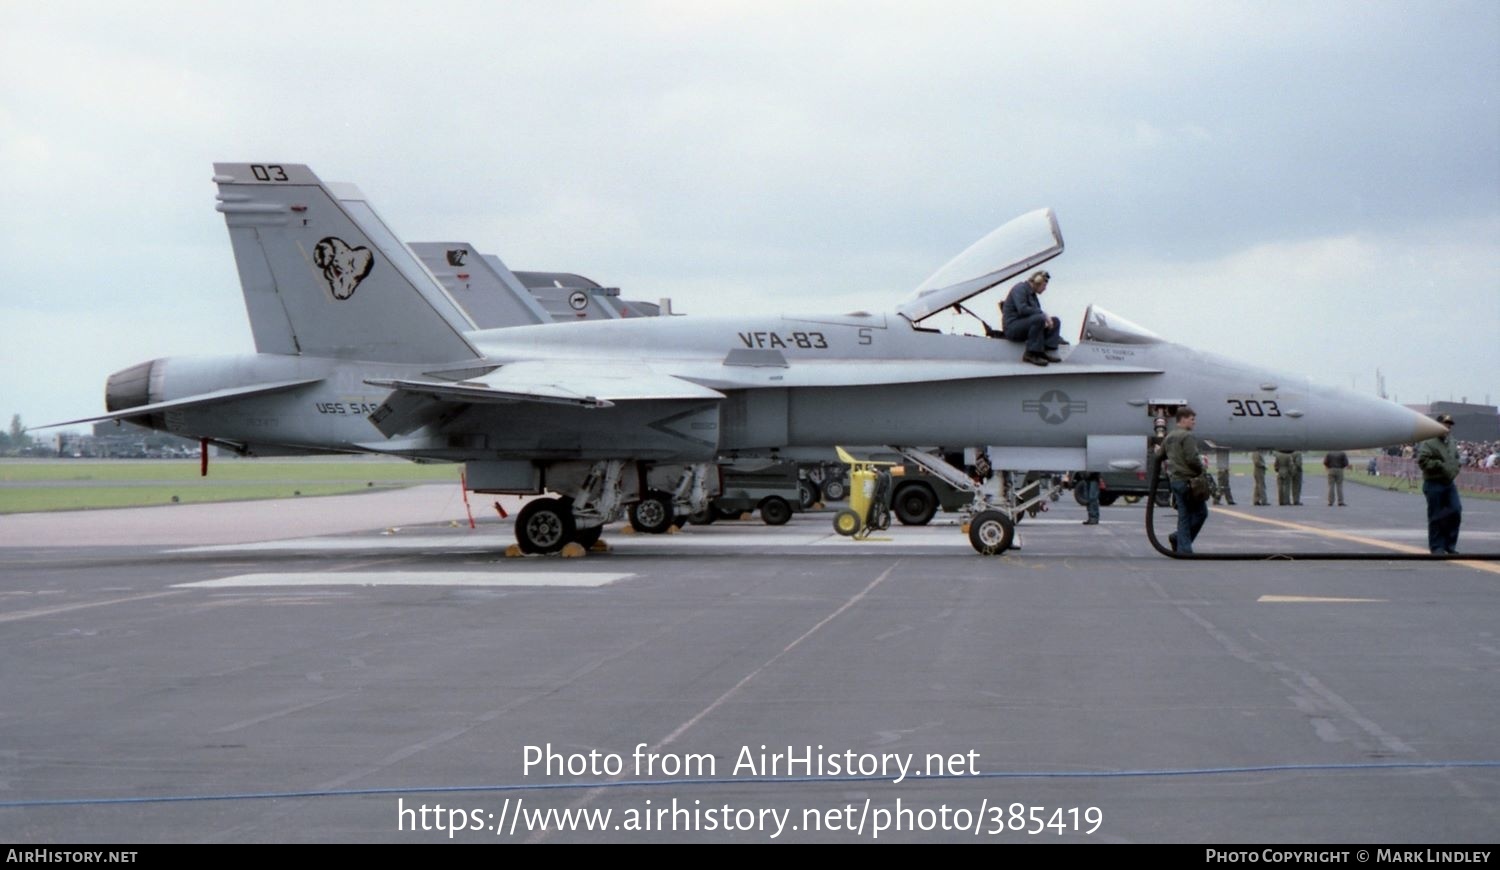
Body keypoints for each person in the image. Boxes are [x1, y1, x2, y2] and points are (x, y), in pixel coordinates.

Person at [1162, 406, 1209, 553]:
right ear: (1183, 419)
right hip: (1188, 482)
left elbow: (1159, 455)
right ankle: (1183, 546)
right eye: (1191, 419)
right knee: (1201, 513)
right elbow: (1192, 459)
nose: (1194, 422)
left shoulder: (1169, 436)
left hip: (1175, 480)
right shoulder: (1187, 436)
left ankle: (1181, 543)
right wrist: (1201, 470)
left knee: (1184, 516)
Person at [1416, 413, 1462, 554]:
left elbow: (1456, 457)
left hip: (1448, 483)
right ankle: (1437, 546)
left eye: (1449, 424)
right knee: (1436, 515)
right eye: (1445, 423)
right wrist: (1439, 465)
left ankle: (1450, 544)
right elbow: (1422, 461)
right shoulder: (1429, 442)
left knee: (1455, 510)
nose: (1448, 426)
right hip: (1434, 482)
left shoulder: (1451, 441)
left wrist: (1455, 467)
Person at [1000, 270, 1063, 367]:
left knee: (1055, 321)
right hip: (1012, 327)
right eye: (1044, 285)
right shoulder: (1019, 289)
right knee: (1039, 319)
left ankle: (1043, 351)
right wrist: (1043, 315)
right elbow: (1022, 309)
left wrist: (1045, 320)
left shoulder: (1033, 295)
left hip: (1025, 325)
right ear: (1038, 282)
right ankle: (1030, 354)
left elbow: (1035, 312)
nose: (1045, 289)